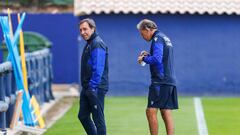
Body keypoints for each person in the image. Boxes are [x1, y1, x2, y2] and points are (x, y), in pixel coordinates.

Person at [137, 19, 178, 135]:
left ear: (147, 29)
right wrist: (149, 55)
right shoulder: (165, 37)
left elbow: (157, 59)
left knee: (150, 111)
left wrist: (144, 58)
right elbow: (161, 58)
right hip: (169, 80)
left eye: (142, 33)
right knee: (166, 111)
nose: (142, 36)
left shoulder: (157, 39)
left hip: (160, 81)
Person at [78, 18, 108, 135]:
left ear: (93, 28)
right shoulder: (90, 43)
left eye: (85, 29)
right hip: (87, 88)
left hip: (95, 88)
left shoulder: (97, 43)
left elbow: (98, 68)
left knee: (98, 120)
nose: (82, 32)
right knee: (83, 116)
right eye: (80, 30)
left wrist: (92, 87)